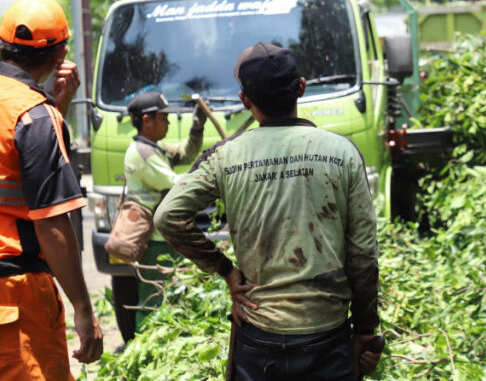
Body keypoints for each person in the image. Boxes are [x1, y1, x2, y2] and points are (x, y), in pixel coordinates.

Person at [155, 43, 381, 380]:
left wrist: (225, 269)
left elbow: (166, 217)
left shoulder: (224, 156)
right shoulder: (342, 152)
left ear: (245, 100)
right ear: (301, 87)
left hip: (258, 337)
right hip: (328, 336)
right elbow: (363, 255)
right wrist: (365, 329)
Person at [0, 0, 103, 379]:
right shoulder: (35, 115)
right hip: (7, 297)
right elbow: (51, 224)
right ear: (60, 56)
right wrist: (82, 307)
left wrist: (54, 107)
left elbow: (6, 161)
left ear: (0, 43)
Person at [115, 91, 206, 340]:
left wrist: (197, 129)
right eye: (163, 118)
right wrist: (211, 175)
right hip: (154, 242)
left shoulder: (155, 149)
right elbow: (176, 184)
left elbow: (186, 154)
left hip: (163, 238)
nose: (167, 122)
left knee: (168, 299)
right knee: (153, 302)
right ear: (147, 120)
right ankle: (144, 351)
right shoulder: (142, 154)